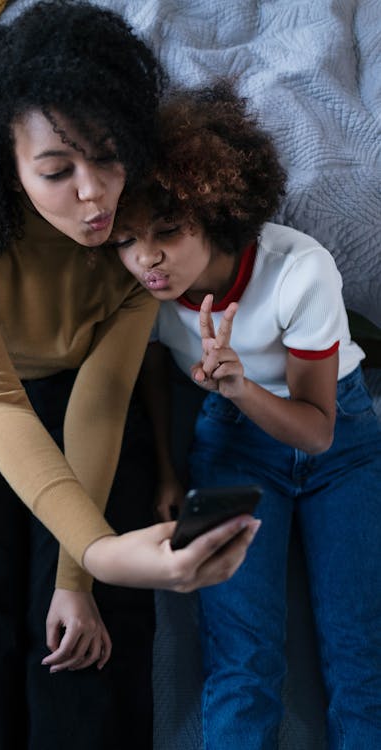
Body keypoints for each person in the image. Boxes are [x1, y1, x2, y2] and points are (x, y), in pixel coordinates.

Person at [0, 6, 260, 750]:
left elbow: (104, 395)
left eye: (109, 158)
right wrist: (96, 549)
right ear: (8, 164)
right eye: (57, 173)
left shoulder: (133, 239)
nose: (96, 197)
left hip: (91, 404)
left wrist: (78, 577)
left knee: (87, 660)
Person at [109, 80, 381, 749]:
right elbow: (147, 365)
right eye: (127, 239)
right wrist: (171, 470)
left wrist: (237, 387)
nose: (146, 258)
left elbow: (316, 431)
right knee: (241, 659)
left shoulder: (300, 271)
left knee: (359, 655)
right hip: (229, 443)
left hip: (337, 441)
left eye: (168, 232)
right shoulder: (138, 287)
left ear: (214, 210)